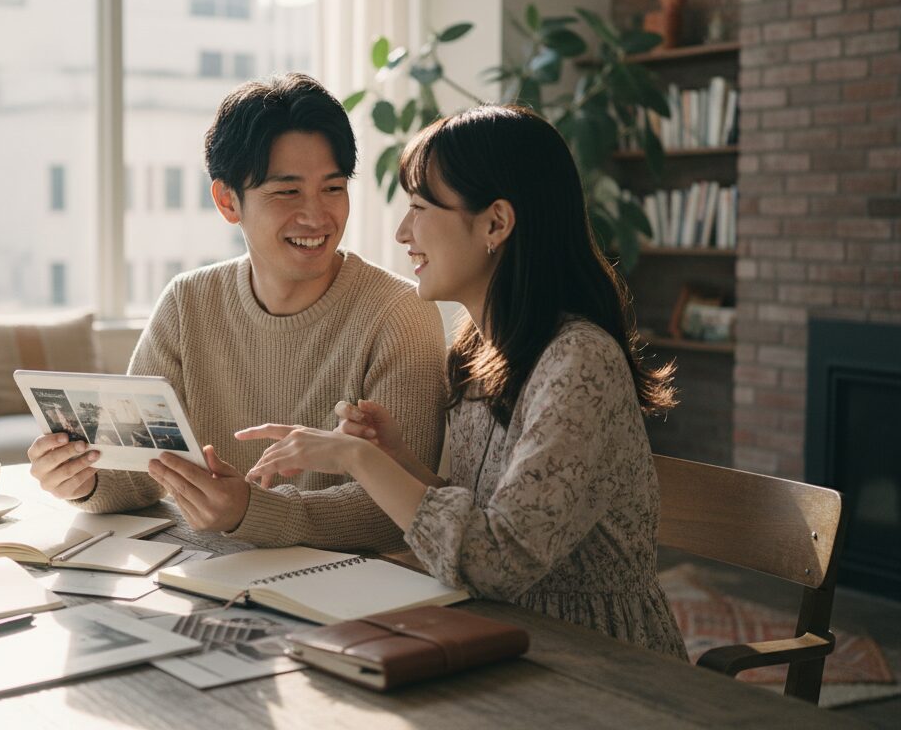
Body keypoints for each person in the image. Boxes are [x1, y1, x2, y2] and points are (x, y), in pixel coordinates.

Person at [239, 105, 688, 658]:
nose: (403, 233)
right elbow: (483, 521)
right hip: (499, 635)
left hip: (598, 658)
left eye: (420, 208)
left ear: (495, 224)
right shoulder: (478, 350)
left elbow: (496, 563)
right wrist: (398, 459)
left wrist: (359, 460)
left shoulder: (580, 362)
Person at [26, 73, 447, 552]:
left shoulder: (399, 315)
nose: (317, 216)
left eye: (333, 188)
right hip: (208, 574)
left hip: (348, 583)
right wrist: (82, 479)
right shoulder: (187, 303)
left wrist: (251, 511)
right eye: (287, 192)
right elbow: (142, 472)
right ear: (228, 201)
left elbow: (400, 510)